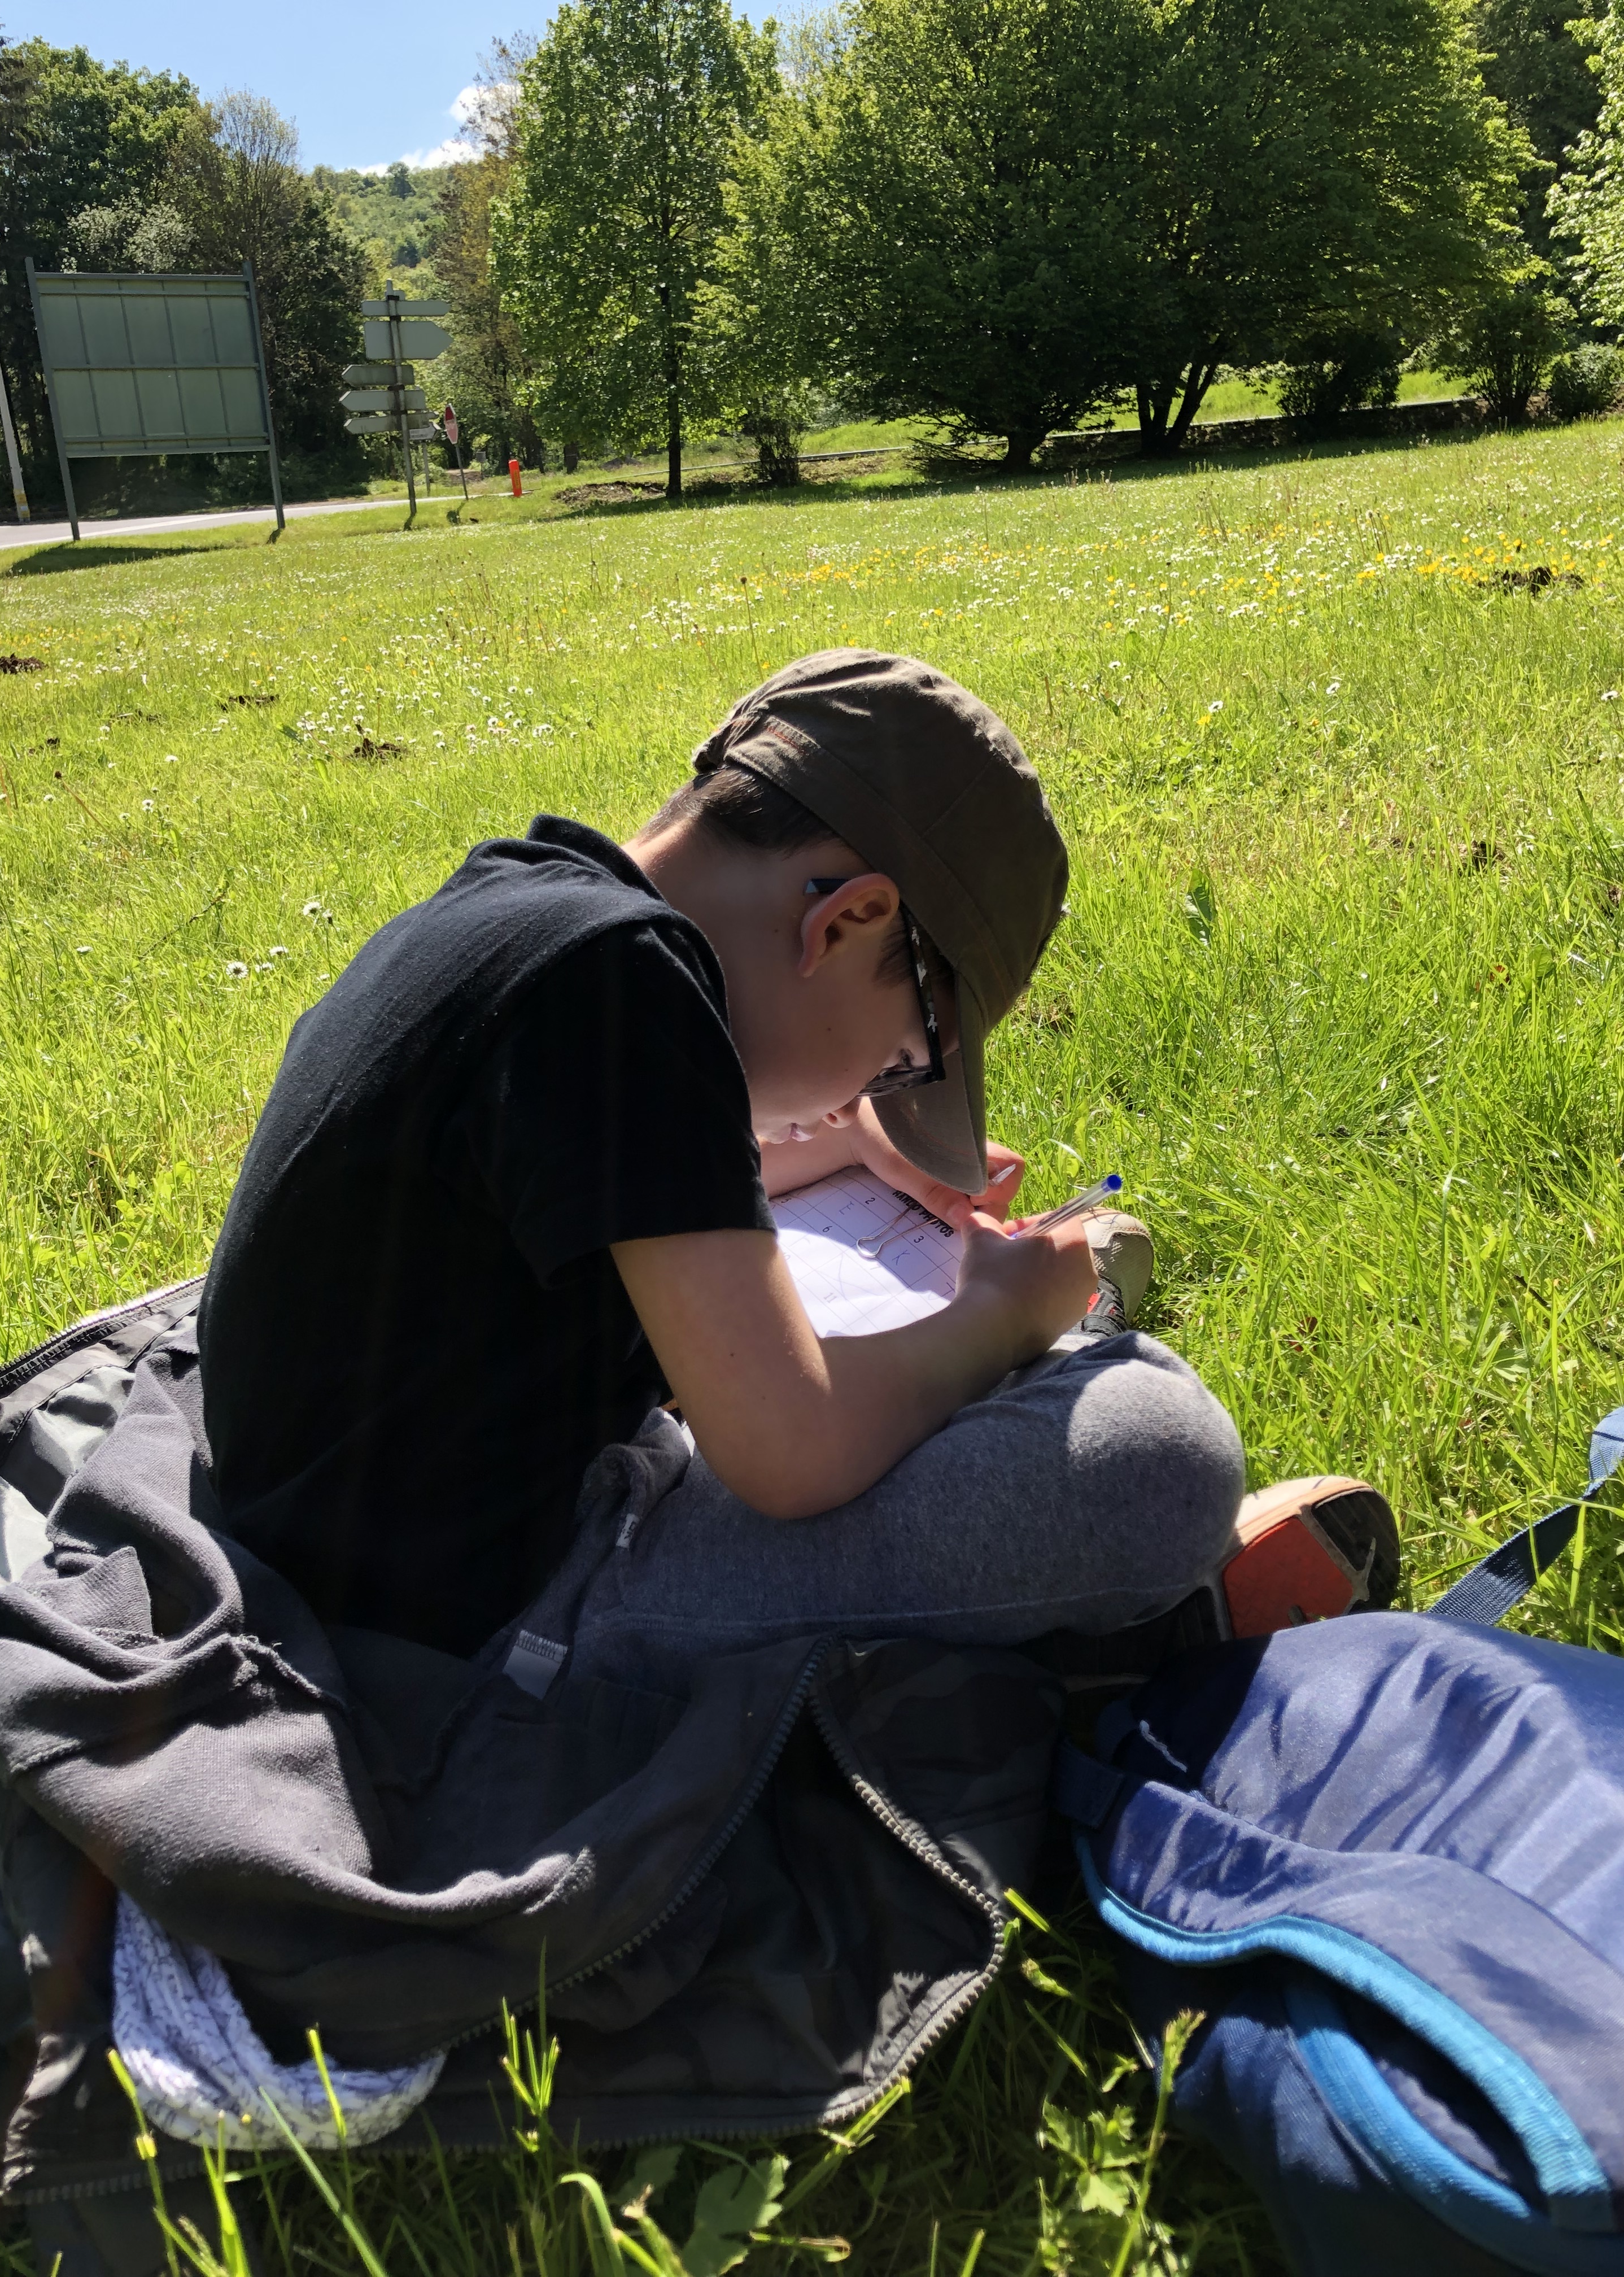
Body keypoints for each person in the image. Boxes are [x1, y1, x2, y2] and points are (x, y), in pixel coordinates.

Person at [197, 649, 1374, 1685]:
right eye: (904, 1063)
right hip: (487, 1613)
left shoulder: (537, 910)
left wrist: (851, 1146)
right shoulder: (626, 991)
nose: (876, 1096)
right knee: (1158, 1448)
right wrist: (996, 1322)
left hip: (360, 1528)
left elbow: (615, 1176)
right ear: (846, 922)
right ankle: (1111, 1642)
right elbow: (792, 1451)